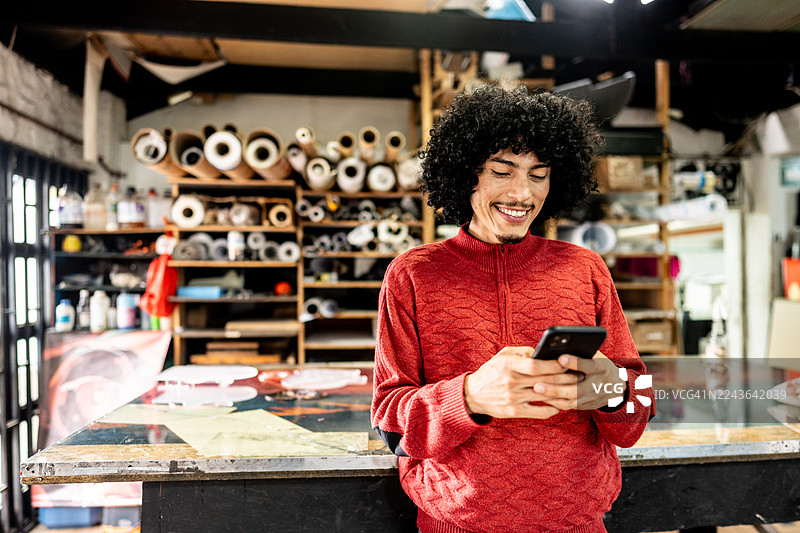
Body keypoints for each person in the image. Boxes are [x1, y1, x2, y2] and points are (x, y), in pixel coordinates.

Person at [371, 84, 656, 533]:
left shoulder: (585, 268)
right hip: (456, 524)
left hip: (578, 524)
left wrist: (614, 389)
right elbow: (390, 422)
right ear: (468, 175)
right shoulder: (412, 275)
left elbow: (640, 406)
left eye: (538, 174)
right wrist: (468, 397)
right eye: (502, 172)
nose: (523, 193)